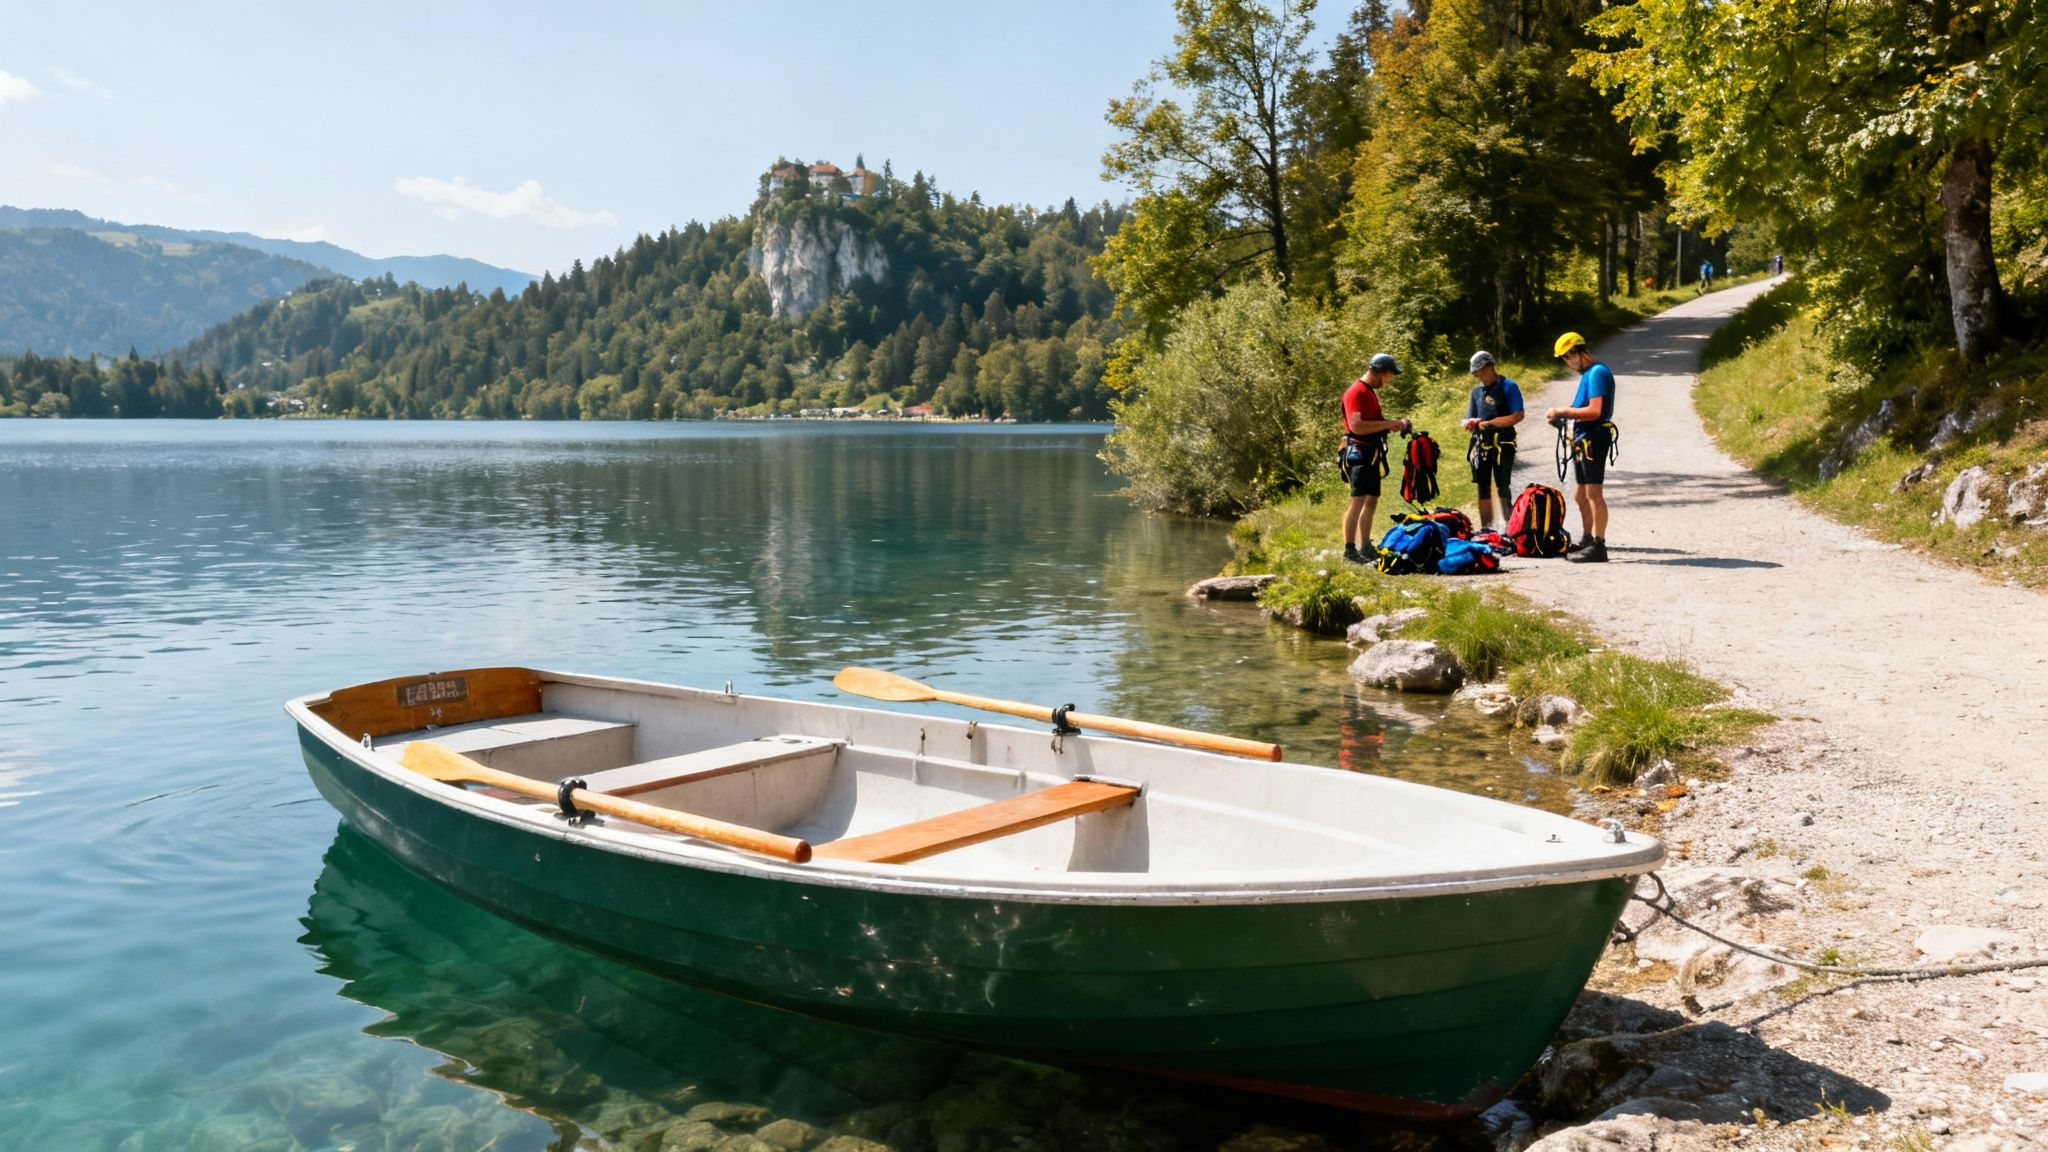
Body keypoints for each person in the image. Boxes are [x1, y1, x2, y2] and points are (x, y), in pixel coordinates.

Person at [1544, 332, 1616, 563]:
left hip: (1594, 439)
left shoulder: (1597, 373)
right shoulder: (1588, 374)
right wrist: (1563, 419)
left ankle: (1599, 546)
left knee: (1594, 494)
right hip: (1584, 439)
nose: (1567, 363)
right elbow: (1581, 409)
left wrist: (1562, 411)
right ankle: (1587, 540)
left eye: (1567, 358)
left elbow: (1595, 411)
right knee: (1581, 496)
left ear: (1576, 353)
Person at [1339, 353, 1413, 564]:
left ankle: (1365, 546)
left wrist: (1396, 424)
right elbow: (1357, 426)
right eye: (1388, 375)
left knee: (1371, 501)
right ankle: (1349, 550)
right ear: (1378, 371)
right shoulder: (1357, 392)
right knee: (1357, 503)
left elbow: (1374, 422)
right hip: (1359, 455)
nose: (1388, 380)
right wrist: (1389, 423)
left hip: (1372, 455)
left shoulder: (1369, 392)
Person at [1460, 351, 1524, 531]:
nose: (1476, 376)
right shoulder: (1476, 392)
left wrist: (1491, 423)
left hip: (1503, 444)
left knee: (1503, 486)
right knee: (1483, 488)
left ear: (1488, 366)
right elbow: (1470, 418)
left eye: (1478, 372)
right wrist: (1469, 423)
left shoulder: (1508, 386)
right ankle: (1486, 530)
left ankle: (1510, 529)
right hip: (1481, 446)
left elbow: (1518, 415)